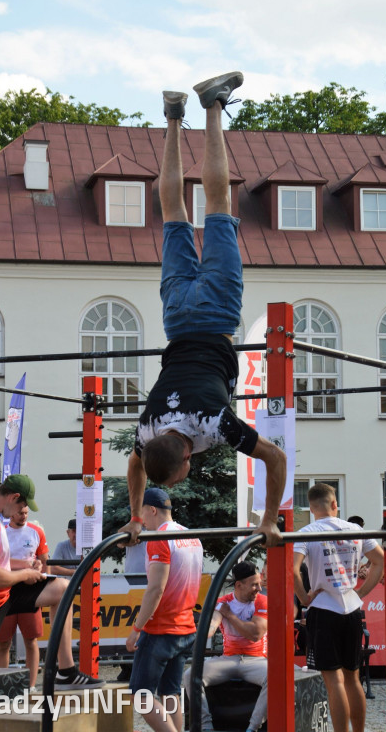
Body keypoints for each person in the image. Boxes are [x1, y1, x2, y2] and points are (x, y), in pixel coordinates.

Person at [120, 72, 286, 550]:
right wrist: (134, 517)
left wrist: (268, 520)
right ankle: (173, 116)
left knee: (217, 204)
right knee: (173, 212)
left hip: (215, 316)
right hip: (176, 318)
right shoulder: (148, 428)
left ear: (188, 459)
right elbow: (135, 463)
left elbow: (274, 459)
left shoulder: (215, 425)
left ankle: (213, 107)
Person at [0, 475, 104, 700]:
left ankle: (66, 671)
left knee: (61, 589)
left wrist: (27, 566)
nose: (21, 514)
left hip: (2, 593)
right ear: (14, 497)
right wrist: (26, 574)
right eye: (21, 507)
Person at [293, 483, 384, 732]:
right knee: (353, 678)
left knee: (334, 682)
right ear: (335, 504)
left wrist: (304, 598)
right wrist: (361, 592)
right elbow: (379, 560)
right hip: (351, 608)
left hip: (323, 609)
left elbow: (292, 570)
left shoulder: (306, 532)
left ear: (312, 508)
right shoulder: (355, 528)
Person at [125, 488, 203, 732]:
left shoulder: (159, 538)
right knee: (170, 693)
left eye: (141, 515)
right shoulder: (192, 536)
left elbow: (156, 589)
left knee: (141, 696)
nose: (141, 522)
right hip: (185, 626)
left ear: (152, 510)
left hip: (161, 629)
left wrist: (137, 628)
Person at [184, 560, 268, 732]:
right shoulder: (222, 602)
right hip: (228, 659)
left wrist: (230, 615)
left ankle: (253, 728)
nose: (259, 589)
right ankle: (206, 727)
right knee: (189, 675)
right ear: (239, 585)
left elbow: (255, 634)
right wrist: (199, 628)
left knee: (276, 678)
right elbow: (211, 627)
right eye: (254, 585)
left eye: (260, 584)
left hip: (257, 660)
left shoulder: (262, 601)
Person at [0, 504, 49, 690]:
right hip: (6, 591)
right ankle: (2, 685)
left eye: (26, 513)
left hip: (30, 591)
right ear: (11, 512)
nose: (23, 516)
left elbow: (44, 562)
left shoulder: (36, 532)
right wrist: (25, 565)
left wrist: (40, 573)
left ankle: (31, 685)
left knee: (31, 640)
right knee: (3, 643)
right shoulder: (1, 531)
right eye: (20, 513)